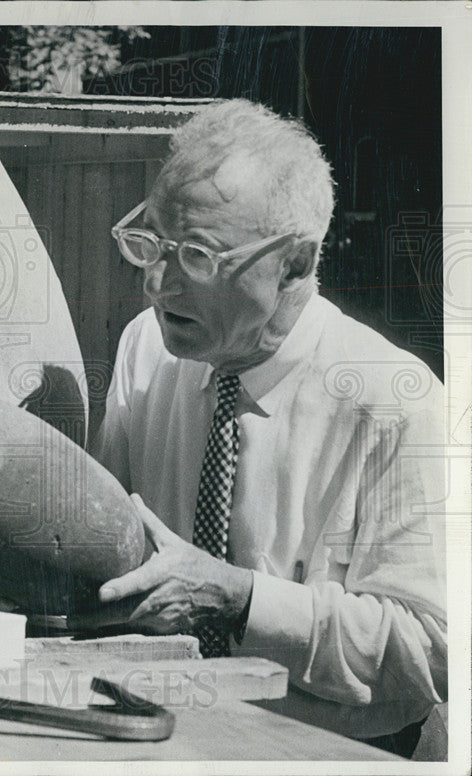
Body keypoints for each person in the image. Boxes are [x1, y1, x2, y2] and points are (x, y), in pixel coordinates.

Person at [72, 98, 447, 755]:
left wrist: (238, 599)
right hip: (157, 740)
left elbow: (430, 653)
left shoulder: (398, 403)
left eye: (197, 258)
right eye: (151, 243)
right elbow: (111, 563)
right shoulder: (146, 349)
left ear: (295, 264)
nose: (156, 284)